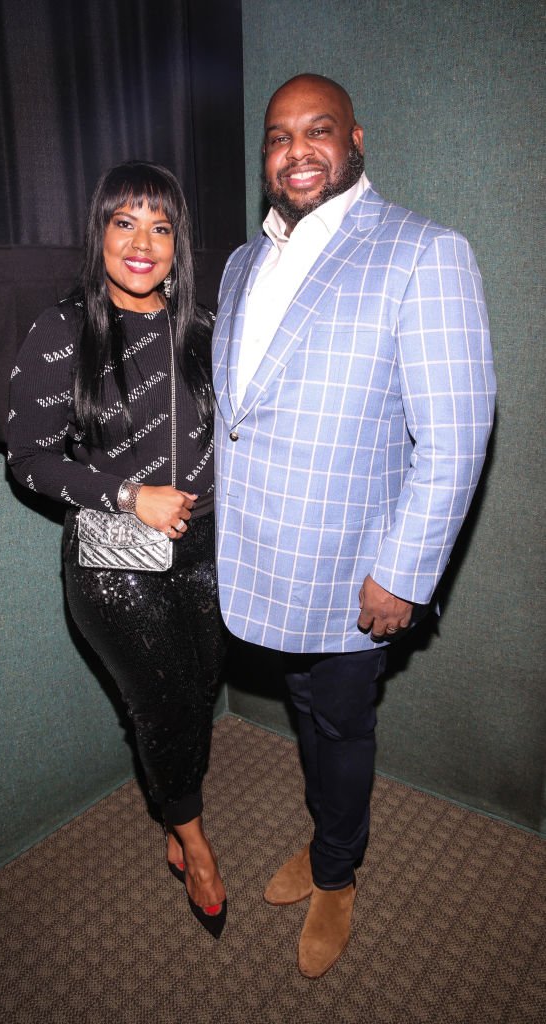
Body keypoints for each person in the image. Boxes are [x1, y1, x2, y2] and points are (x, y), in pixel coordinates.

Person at [212, 75, 495, 975]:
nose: (295, 151)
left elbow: (454, 435)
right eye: (277, 137)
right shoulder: (238, 262)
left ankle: (338, 870)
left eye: (316, 131)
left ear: (355, 140)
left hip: (350, 567)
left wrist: (405, 573)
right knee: (304, 711)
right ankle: (331, 836)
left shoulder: (424, 251)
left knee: (338, 724)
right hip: (260, 553)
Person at [7, 161, 227, 937]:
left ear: (178, 244)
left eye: (160, 227)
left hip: (205, 552)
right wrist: (131, 496)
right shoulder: (62, 329)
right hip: (112, 565)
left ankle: (173, 806)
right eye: (124, 222)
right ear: (99, 233)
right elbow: (27, 459)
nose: (142, 242)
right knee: (161, 704)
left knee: (199, 691)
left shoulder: (202, 327)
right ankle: (193, 845)